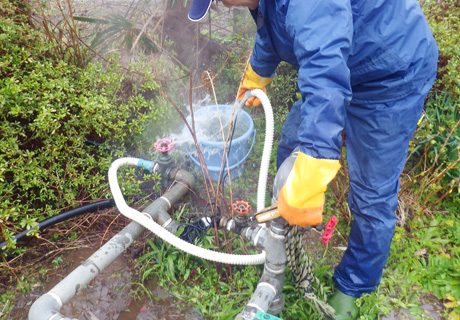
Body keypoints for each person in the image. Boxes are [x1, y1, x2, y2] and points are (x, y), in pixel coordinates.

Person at [188, 0, 438, 318]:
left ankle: (354, 287)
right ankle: (285, 228)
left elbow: (323, 67)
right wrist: (256, 72)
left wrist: (317, 160)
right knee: (291, 143)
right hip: (345, 67)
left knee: (371, 193)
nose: (224, 4)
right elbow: (272, 30)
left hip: (390, 76)